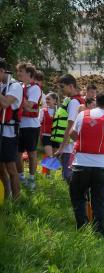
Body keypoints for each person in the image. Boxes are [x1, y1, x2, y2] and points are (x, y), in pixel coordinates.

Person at [69, 91, 104, 235]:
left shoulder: (83, 115)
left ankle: (82, 228)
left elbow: (72, 134)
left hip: (81, 165)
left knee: (78, 197)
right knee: (100, 201)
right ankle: (99, 232)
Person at [51, 74, 84, 183]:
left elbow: (70, 126)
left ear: (71, 86)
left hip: (69, 147)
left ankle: (72, 198)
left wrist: (61, 148)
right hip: (72, 145)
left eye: (62, 86)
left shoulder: (74, 102)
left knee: (67, 176)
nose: (60, 89)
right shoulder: (74, 100)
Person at [16, 62, 42, 190]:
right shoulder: (19, 86)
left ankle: (32, 178)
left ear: (29, 74)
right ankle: (21, 177)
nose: (18, 73)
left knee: (31, 153)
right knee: (17, 153)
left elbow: (29, 106)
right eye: (18, 71)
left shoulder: (35, 88)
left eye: (21, 71)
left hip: (31, 126)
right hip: (18, 125)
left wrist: (15, 96)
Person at [0, 58, 22, 199]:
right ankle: (7, 197)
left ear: (1, 71)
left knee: (11, 167)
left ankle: (17, 199)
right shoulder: (1, 86)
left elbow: (5, 103)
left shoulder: (15, 86)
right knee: (0, 167)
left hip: (9, 132)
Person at [39, 92, 60, 174]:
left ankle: (50, 176)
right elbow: (38, 122)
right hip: (46, 135)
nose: (46, 101)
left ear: (55, 100)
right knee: (50, 156)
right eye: (46, 99)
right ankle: (47, 175)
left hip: (56, 136)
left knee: (54, 157)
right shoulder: (42, 111)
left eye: (48, 99)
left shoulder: (59, 111)